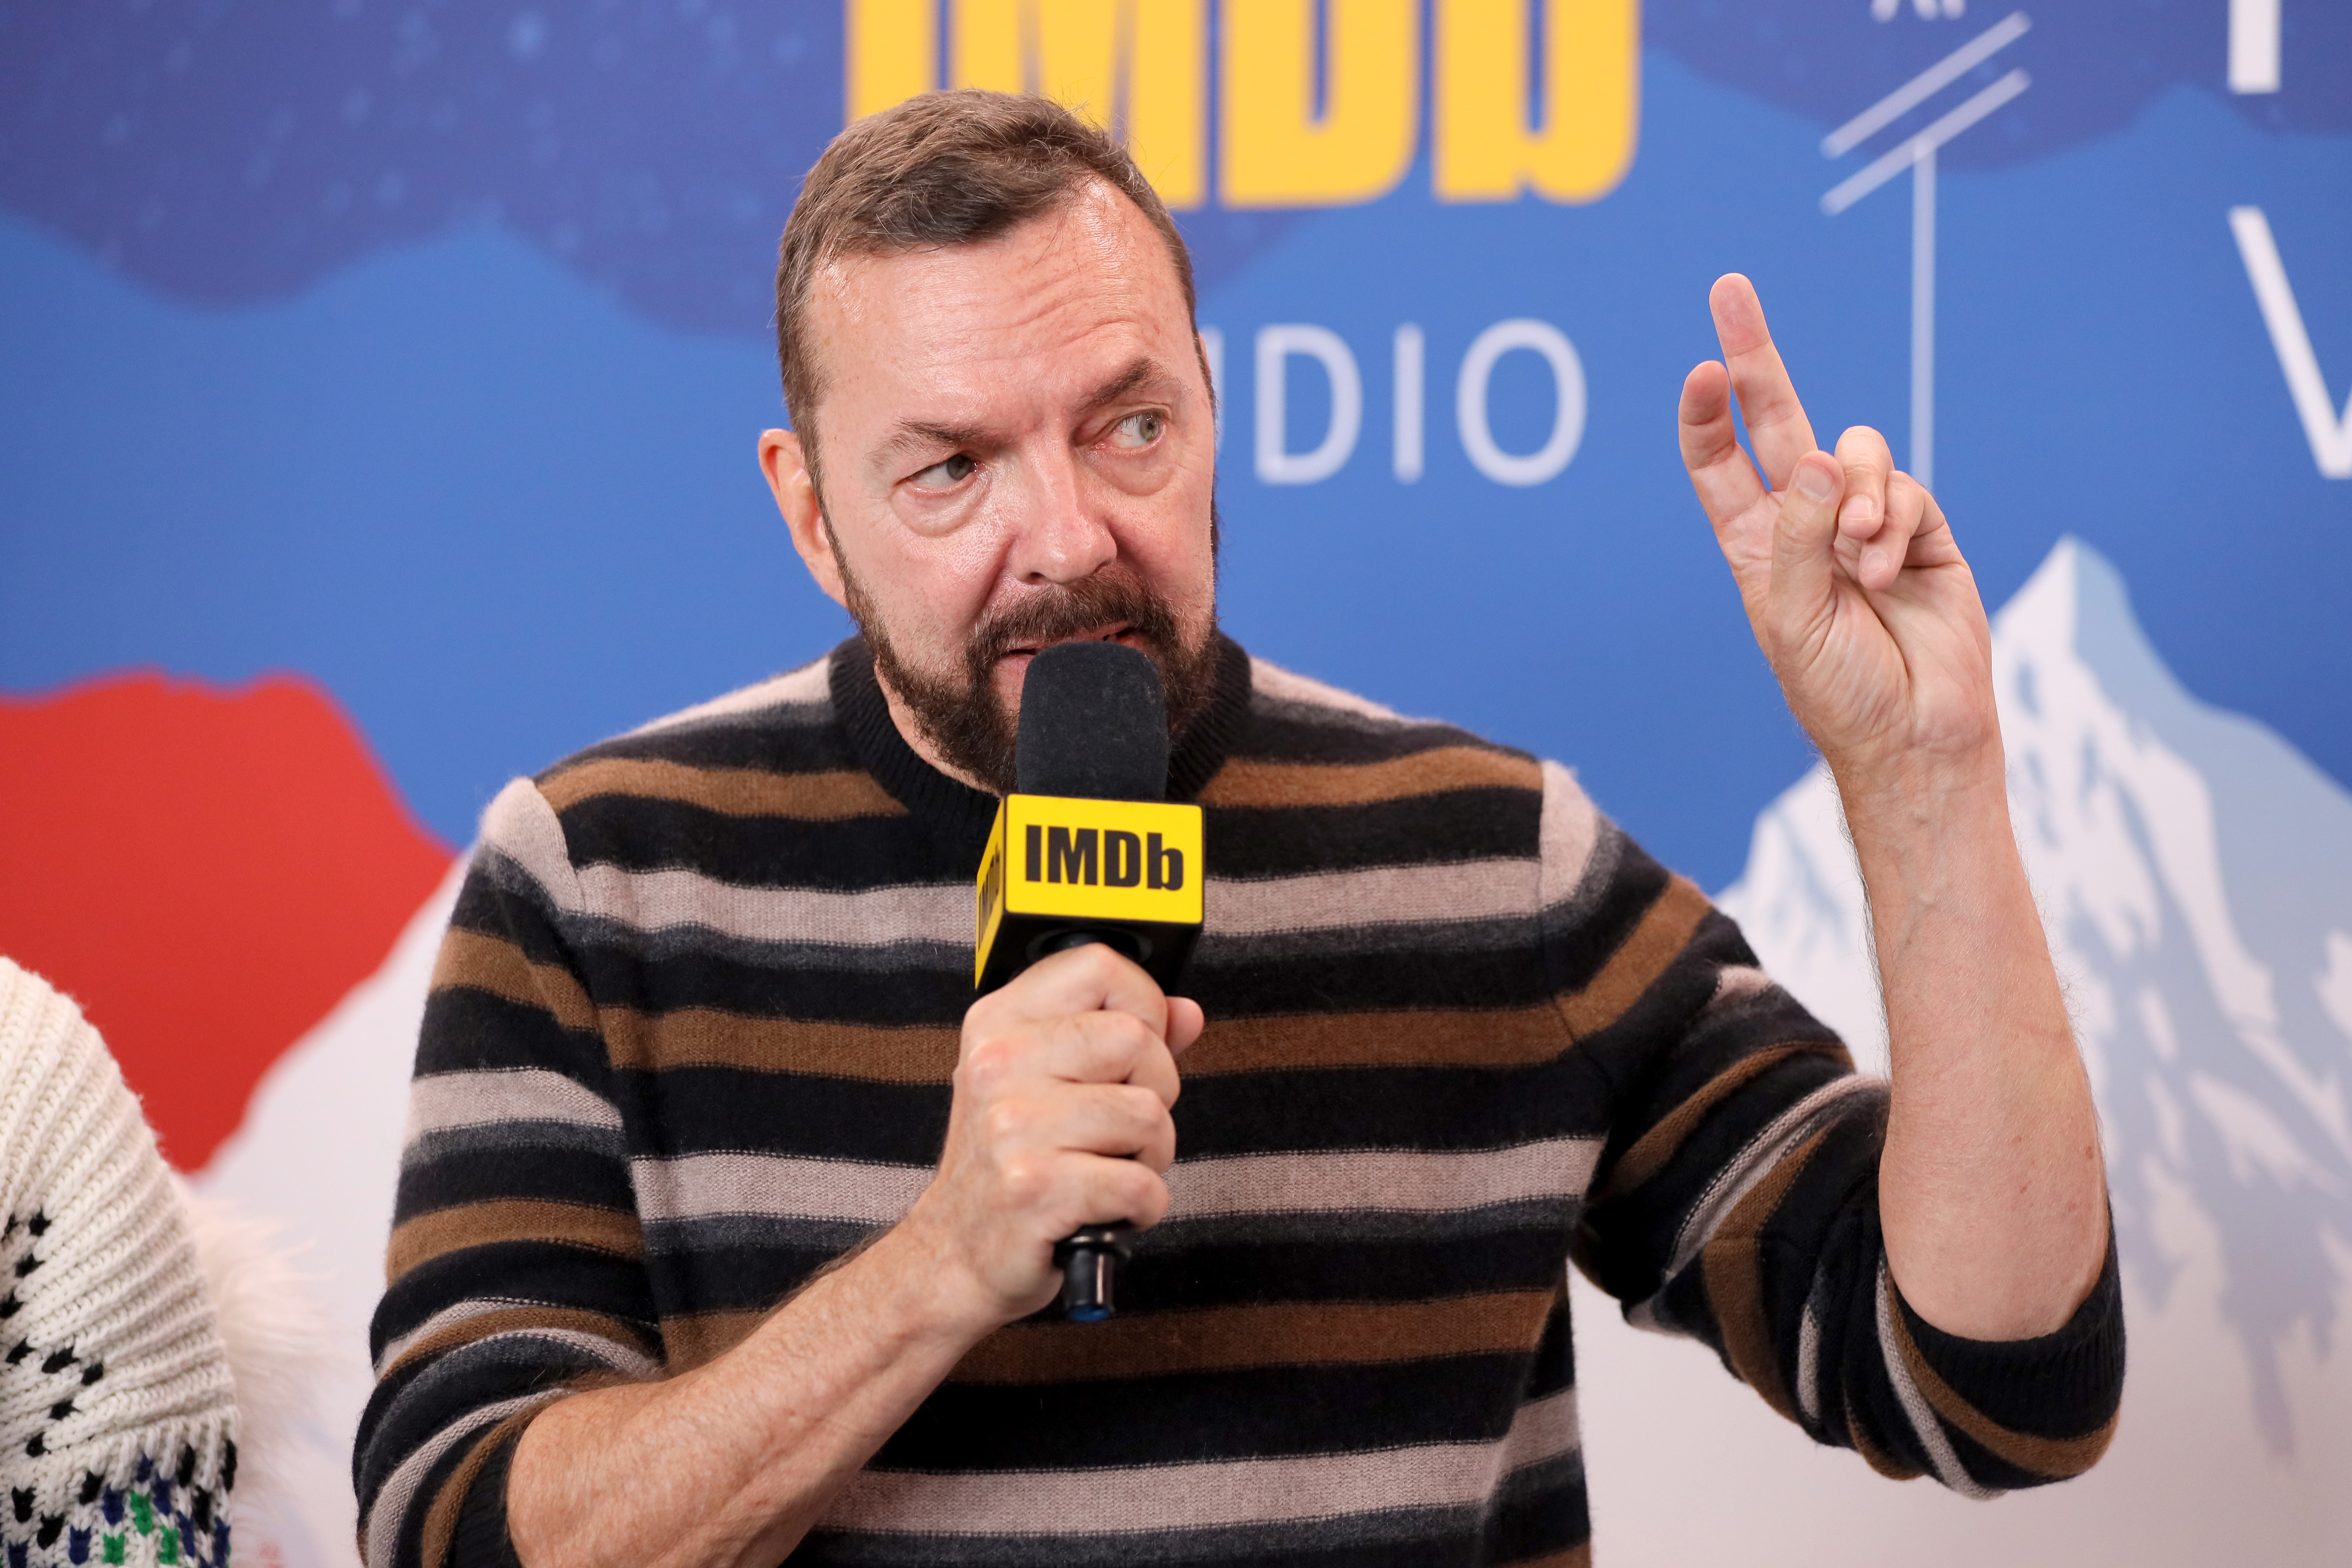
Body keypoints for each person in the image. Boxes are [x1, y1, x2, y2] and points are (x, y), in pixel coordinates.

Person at [355, 90, 2121, 1568]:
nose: (1067, 539)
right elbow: (455, 1527)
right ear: (812, 516)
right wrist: (940, 1268)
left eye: (1128, 427)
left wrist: (1928, 775)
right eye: (951, 469)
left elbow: (1997, 1388)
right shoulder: (593, 880)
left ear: (1212, 408)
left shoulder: (1497, 859)